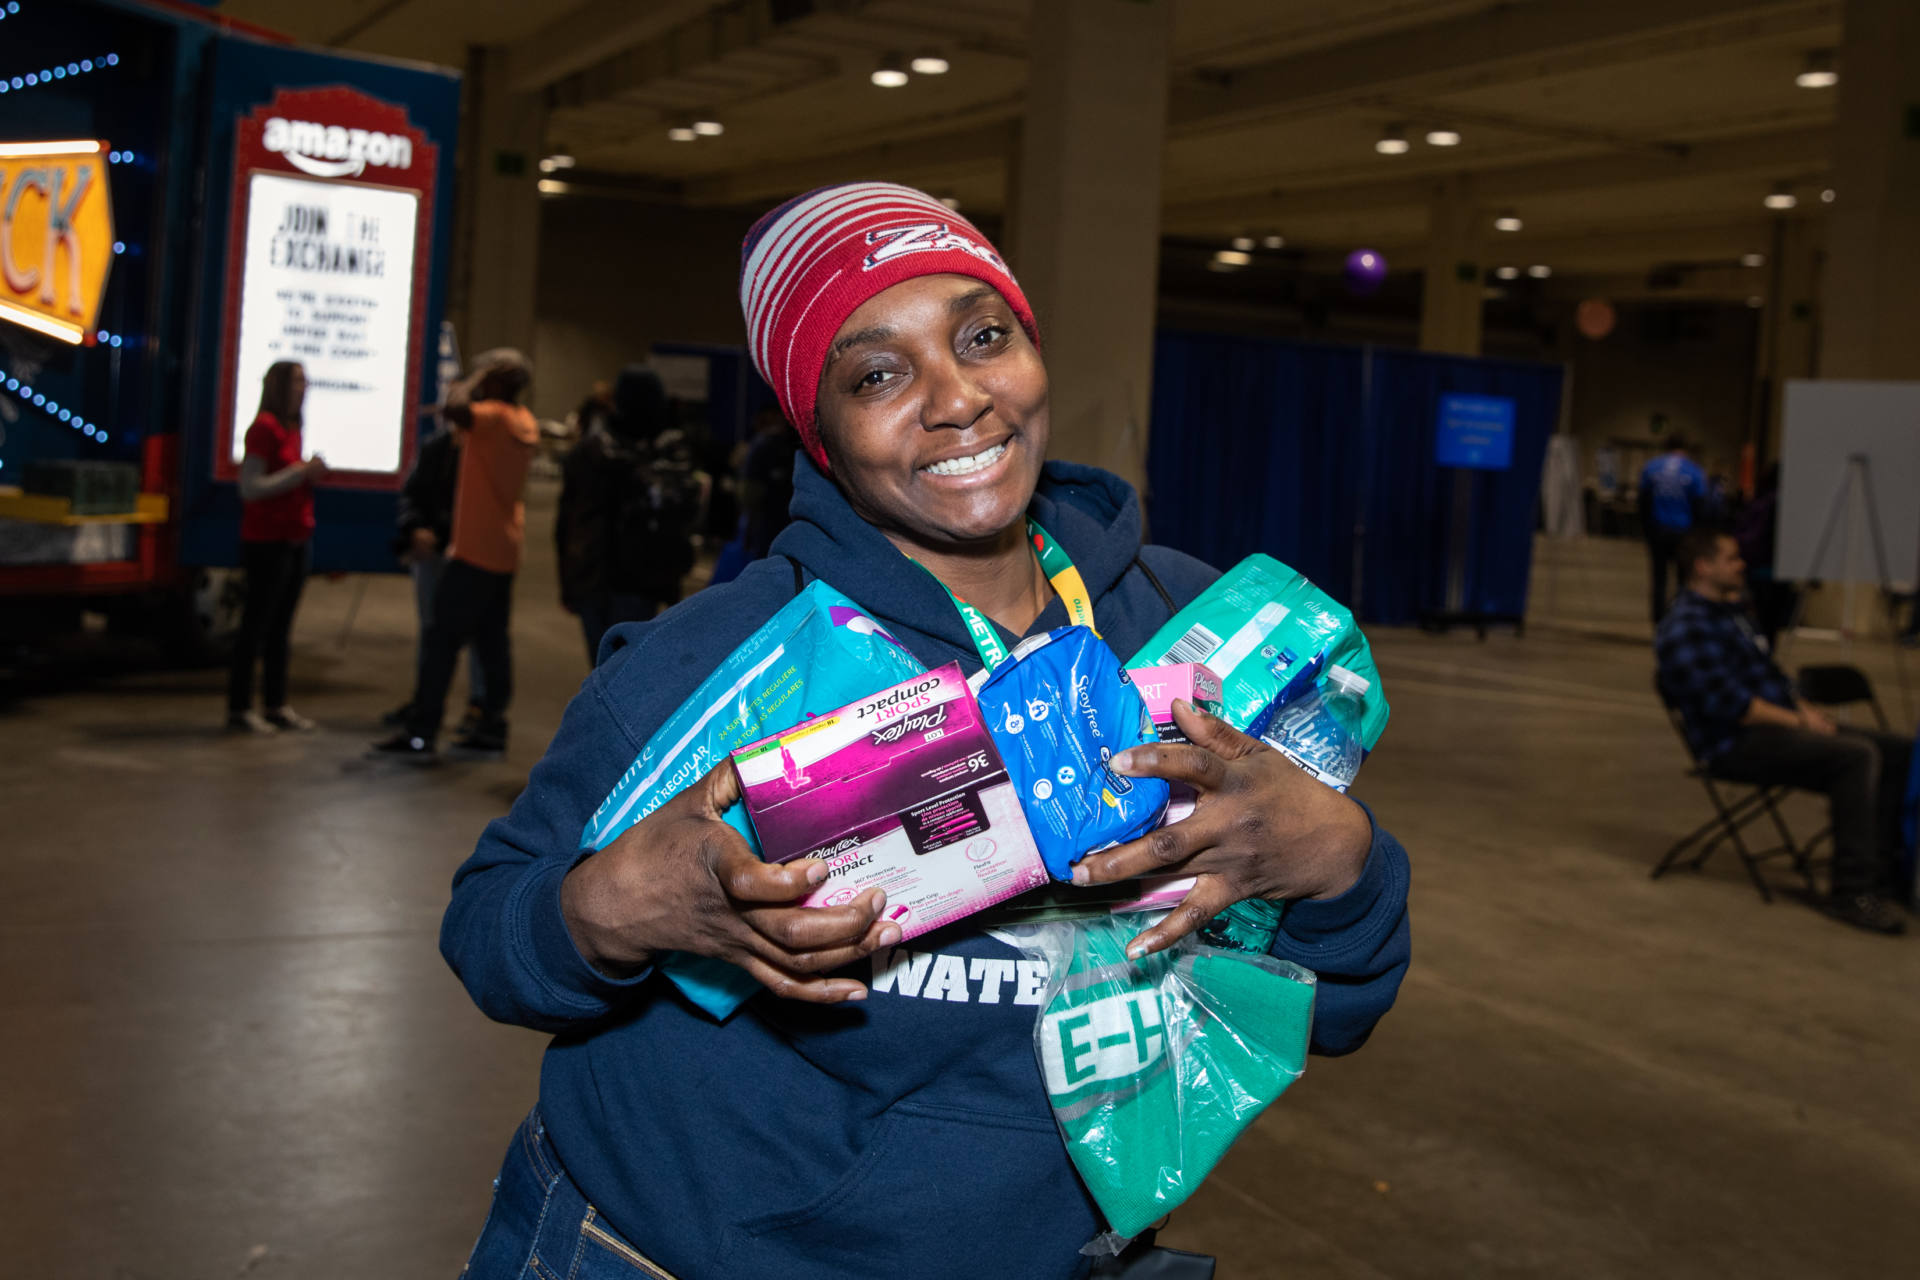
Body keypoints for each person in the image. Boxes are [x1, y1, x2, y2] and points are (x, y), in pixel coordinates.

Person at [442, 183, 1412, 1280]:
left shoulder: (1192, 635)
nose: (959, 399)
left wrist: (1340, 859)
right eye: (878, 373)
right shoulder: (728, 660)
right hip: (666, 1252)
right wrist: (613, 905)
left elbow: (1334, 1012)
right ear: (821, 427)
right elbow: (490, 930)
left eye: (983, 335)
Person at [1656, 527, 1911, 935]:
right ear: (1702, 568)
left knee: (1899, 750)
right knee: (1856, 755)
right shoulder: (1685, 627)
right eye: (1732, 559)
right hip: (1734, 743)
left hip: (1775, 725)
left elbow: (1773, 679)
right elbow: (1733, 707)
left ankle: (1886, 873)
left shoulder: (1735, 612)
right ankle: (1853, 892)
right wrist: (1801, 723)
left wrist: (1808, 712)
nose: (1742, 564)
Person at [371, 350, 537, 762]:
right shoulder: (524, 422)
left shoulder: (493, 417)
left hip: (473, 549)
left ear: (497, 382)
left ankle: (420, 731)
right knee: (491, 640)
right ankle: (490, 727)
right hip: (503, 547)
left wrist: (478, 374)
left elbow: (453, 408)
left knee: (440, 641)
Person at [555, 365, 703, 663]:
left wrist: (568, 580)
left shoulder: (592, 449)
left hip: (608, 577)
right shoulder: (663, 449)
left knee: (607, 669)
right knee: (621, 671)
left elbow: (567, 520)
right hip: (623, 578)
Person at [227, 361, 325, 734]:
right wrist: (300, 473)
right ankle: (239, 708)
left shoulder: (292, 428)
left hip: (296, 540)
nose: (305, 387)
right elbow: (250, 488)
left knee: (281, 628)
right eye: (298, 380)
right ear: (280, 385)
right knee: (255, 627)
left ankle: (275, 704)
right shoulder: (263, 430)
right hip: (266, 544)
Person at [384, 422, 487, 734]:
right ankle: (425, 703)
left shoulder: (486, 452)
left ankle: (478, 707)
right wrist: (416, 529)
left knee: (476, 632)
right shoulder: (435, 447)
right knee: (432, 633)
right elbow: (411, 493)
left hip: (470, 555)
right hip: (431, 555)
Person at [1639, 434, 1709, 622]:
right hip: (1684, 532)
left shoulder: (1652, 467)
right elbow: (1701, 505)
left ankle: (1658, 621)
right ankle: (1679, 617)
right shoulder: (1694, 471)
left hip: (1658, 530)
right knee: (1683, 579)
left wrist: (1646, 530)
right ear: (1685, 449)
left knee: (1659, 578)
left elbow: (1644, 502)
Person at [739, 404, 801, 560]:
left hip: (775, 511)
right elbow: (751, 487)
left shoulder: (770, 443)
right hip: (770, 511)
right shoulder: (766, 443)